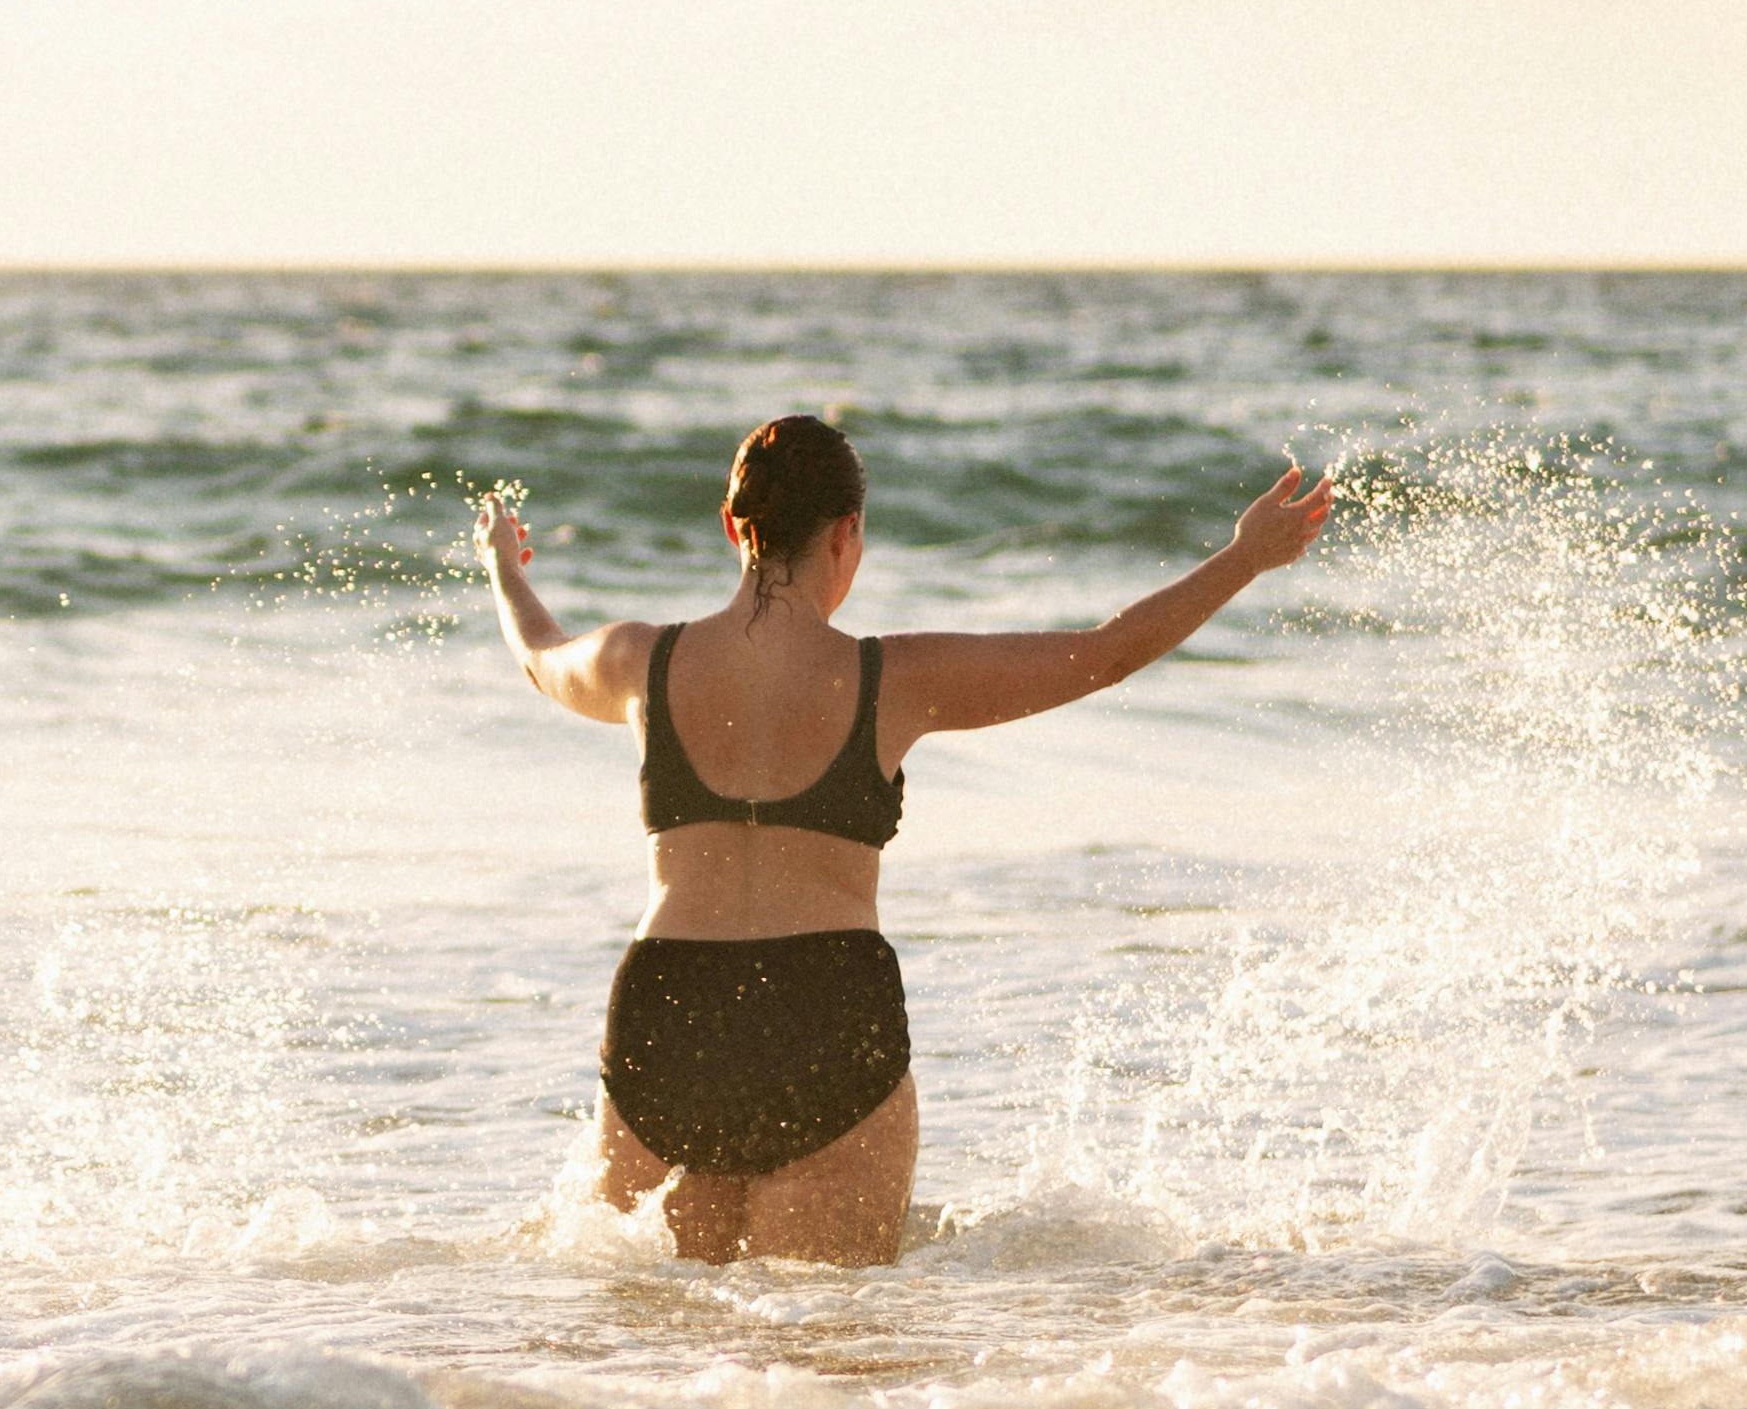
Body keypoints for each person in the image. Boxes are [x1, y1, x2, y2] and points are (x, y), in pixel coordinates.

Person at [482, 414, 1333, 1265]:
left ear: (730, 523)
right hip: (824, 1011)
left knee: (658, 1352)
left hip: (669, 1014)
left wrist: (500, 565)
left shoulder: (640, 661)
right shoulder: (890, 678)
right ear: (847, 531)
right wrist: (1245, 556)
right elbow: (1102, 655)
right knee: (830, 1349)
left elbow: (539, 652)